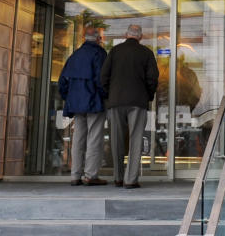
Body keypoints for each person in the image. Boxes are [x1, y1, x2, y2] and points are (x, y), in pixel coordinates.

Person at [101, 23, 159, 189]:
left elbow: (103, 76)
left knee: (116, 140)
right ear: (140, 36)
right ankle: (130, 179)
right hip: (138, 101)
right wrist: (148, 96)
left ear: (126, 35)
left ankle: (118, 177)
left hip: (116, 101)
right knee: (135, 139)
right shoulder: (146, 53)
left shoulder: (115, 51)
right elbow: (152, 78)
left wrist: (109, 95)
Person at [58, 26, 108, 186]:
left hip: (76, 103)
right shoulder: (99, 54)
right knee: (94, 137)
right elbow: (102, 80)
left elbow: (62, 82)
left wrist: (69, 97)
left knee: (78, 137)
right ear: (98, 38)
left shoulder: (74, 55)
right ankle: (90, 175)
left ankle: (75, 175)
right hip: (94, 101)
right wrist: (105, 95)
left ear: (83, 38)